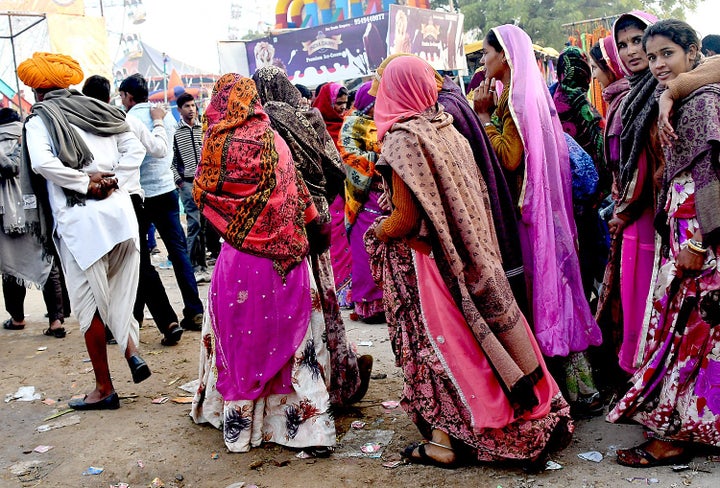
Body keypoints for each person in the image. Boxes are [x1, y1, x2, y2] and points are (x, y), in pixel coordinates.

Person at [366, 55, 572, 468]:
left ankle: (450, 441)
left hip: (430, 265)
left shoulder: (403, 140)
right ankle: (521, 417)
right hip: (473, 257)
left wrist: (377, 232)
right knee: (480, 343)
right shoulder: (446, 128)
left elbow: (406, 219)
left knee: (441, 350)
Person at [191, 73, 335, 455]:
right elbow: (297, 194)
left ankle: (241, 423)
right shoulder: (274, 142)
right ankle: (301, 429)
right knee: (292, 344)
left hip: (237, 259)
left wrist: (238, 224)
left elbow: (202, 194)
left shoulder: (213, 146)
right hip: (284, 261)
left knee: (241, 340)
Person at [472, 25, 603, 414]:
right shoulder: (526, 96)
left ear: (505, 57)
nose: (483, 61)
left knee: (542, 292)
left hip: (529, 216)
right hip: (547, 214)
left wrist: (483, 120)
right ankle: (583, 390)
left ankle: (566, 391)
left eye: (486, 53)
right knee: (559, 290)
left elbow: (511, 158)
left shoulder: (515, 101)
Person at [608, 19, 720, 466]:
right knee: (696, 338)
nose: (656, 64)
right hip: (687, 236)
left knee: (690, 338)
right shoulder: (681, 98)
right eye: (650, 56)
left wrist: (696, 244)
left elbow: (711, 180)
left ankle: (676, 436)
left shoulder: (701, 104)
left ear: (692, 53)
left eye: (666, 54)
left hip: (702, 243)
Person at [19, 52, 150, 410]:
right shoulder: (99, 110)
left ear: (37, 90)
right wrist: (114, 181)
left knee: (89, 304)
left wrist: (84, 183)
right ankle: (132, 351)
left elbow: (43, 163)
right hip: (121, 216)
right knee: (120, 291)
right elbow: (135, 147)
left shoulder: (40, 120)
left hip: (82, 224)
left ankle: (104, 387)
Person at [252, 65, 372, 407]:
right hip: (315, 217)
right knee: (323, 293)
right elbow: (336, 168)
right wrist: (319, 197)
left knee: (292, 301)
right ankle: (338, 371)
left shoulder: (258, 125)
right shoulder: (310, 118)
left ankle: (299, 378)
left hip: (279, 224)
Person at [371, 53, 528, 314]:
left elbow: (406, 217)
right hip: (475, 237)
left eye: (385, 90)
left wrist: (381, 230)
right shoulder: (442, 116)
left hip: (446, 251)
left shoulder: (408, 135)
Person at [83, 74, 184, 346]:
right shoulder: (128, 120)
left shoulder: (85, 126)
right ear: (110, 96)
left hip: (105, 200)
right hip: (136, 198)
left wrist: (108, 180)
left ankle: (139, 323)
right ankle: (148, 321)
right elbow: (156, 150)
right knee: (136, 262)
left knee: (117, 265)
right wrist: (160, 121)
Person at [119, 74, 204, 333]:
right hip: (167, 191)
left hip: (140, 195)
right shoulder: (165, 116)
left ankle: (142, 317)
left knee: (140, 258)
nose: (121, 100)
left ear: (128, 96)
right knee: (178, 253)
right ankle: (195, 310)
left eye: (122, 96)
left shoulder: (127, 119)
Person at [603, 11, 661, 376]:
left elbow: (644, 162)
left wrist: (622, 210)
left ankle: (649, 376)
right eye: (621, 45)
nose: (629, 52)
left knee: (649, 296)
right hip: (632, 210)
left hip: (651, 214)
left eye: (637, 40)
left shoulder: (664, 90)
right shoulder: (632, 93)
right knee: (636, 296)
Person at [588, 35, 635, 391]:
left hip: (634, 216)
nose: (594, 74)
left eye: (596, 66)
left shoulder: (629, 103)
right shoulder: (618, 100)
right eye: (624, 44)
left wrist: (620, 206)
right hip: (621, 210)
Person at [0, 107, 67, 338]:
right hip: (35, 213)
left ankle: (18, 318)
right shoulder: (32, 136)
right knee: (47, 261)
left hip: (5, 218)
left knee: (10, 268)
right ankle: (56, 321)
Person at [553, 46, 610, 304]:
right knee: (588, 254)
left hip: (559, 198)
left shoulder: (550, 105)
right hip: (585, 202)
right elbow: (602, 161)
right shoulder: (586, 110)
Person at [336, 81, 386, 323]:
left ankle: (392, 301)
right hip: (364, 198)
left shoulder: (388, 120)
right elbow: (348, 157)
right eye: (377, 102)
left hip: (389, 197)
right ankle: (371, 305)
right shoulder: (352, 126)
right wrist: (381, 158)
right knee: (366, 254)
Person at [312, 83, 353, 308]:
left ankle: (351, 289)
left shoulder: (348, 125)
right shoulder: (317, 126)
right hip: (330, 194)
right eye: (337, 104)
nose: (340, 109)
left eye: (344, 104)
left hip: (350, 193)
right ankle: (338, 289)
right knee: (336, 241)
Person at [171, 91, 211, 283]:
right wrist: (179, 181)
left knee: (203, 224)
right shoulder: (175, 133)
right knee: (194, 223)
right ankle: (194, 267)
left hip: (204, 183)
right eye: (187, 106)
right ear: (179, 110)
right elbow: (171, 162)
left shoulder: (202, 129)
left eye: (193, 106)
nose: (191, 109)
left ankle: (202, 265)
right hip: (187, 183)